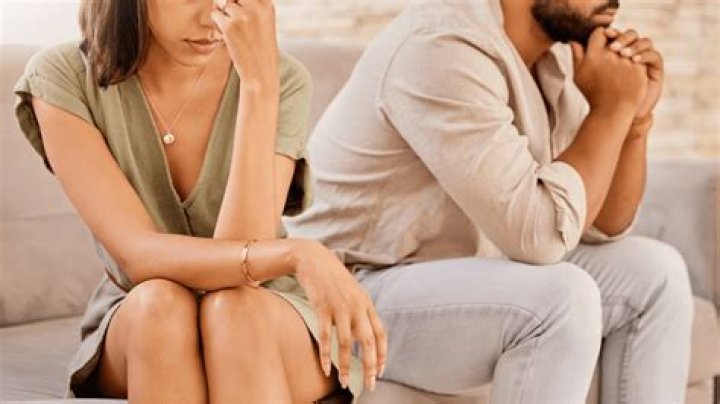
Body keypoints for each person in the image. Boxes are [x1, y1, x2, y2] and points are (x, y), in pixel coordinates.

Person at [285, 0, 694, 402]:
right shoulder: (441, 45)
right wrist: (610, 109)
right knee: (560, 298)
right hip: (347, 296)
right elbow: (542, 237)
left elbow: (600, 223)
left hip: (455, 274)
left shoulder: (555, 58)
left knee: (655, 272)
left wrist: (634, 120)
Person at [13, 0, 386, 402]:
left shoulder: (282, 79)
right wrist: (297, 254)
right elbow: (138, 256)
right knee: (160, 306)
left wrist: (259, 86)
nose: (214, 17)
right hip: (141, 317)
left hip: (264, 309)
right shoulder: (63, 76)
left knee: (235, 312)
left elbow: (245, 266)